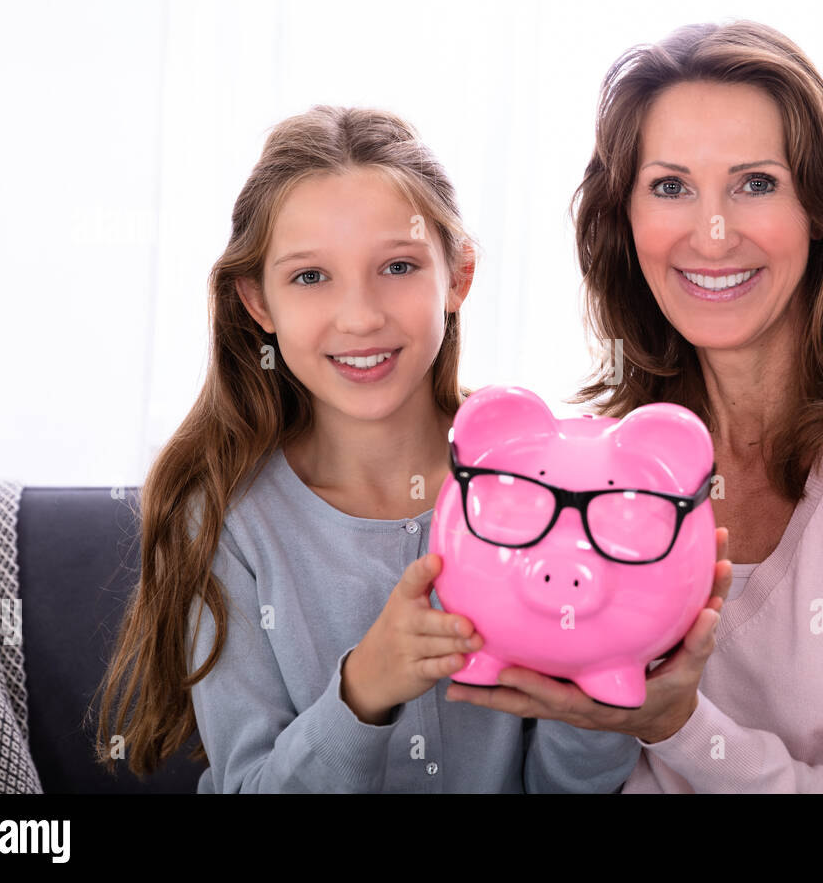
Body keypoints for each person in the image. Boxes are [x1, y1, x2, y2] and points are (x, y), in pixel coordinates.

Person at [446, 21, 823, 793]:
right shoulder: (609, 456)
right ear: (625, 221)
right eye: (671, 187)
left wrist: (679, 726)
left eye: (755, 183)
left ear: (821, 213)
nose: (711, 236)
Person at [92, 105, 640, 792]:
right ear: (258, 303)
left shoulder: (547, 488)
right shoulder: (227, 518)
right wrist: (363, 690)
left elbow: (569, 786)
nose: (360, 316)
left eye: (399, 265)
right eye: (310, 277)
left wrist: (602, 693)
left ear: (458, 277)